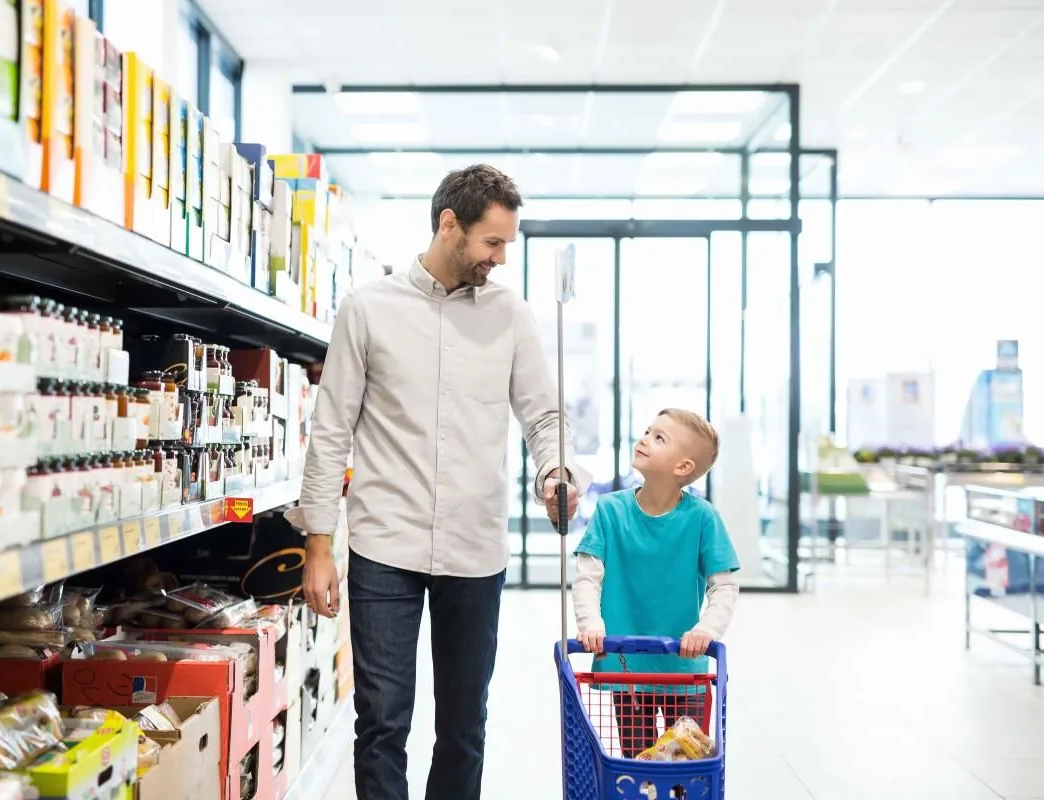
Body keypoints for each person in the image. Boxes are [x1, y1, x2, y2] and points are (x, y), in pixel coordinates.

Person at [285, 164, 588, 800]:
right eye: (492, 243)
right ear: (450, 224)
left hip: (475, 551)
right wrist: (317, 543)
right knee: (381, 724)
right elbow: (332, 427)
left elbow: (544, 415)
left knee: (463, 728)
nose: (501, 259)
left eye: (507, 244)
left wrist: (555, 467)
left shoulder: (511, 315)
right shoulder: (367, 309)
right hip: (384, 548)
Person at [571, 408, 740, 759]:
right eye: (648, 431)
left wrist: (706, 630)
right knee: (640, 765)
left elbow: (723, 585)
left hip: (685, 669)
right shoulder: (609, 511)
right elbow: (587, 577)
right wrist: (591, 624)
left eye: (659, 438)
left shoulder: (702, 518)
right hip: (627, 670)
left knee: (684, 767)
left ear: (683, 467)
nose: (645, 438)